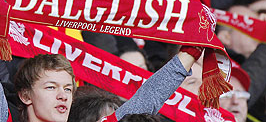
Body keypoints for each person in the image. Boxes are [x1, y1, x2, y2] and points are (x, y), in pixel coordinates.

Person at [15, 49, 200, 122]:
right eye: (50, 87)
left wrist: (193, 51)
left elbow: (148, 97)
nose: (63, 96)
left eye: (68, 89)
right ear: (25, 95)